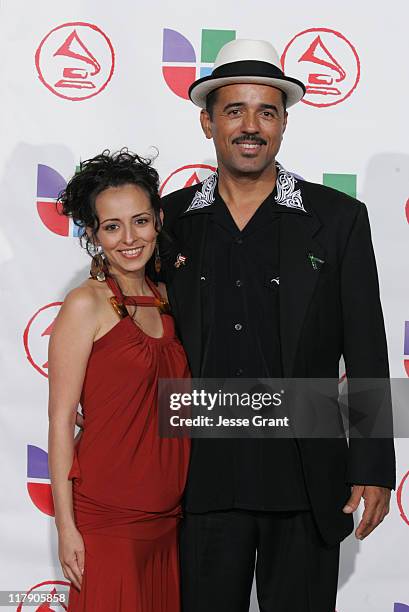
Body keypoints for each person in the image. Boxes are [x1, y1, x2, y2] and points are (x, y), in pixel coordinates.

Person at [160, 39, 396, 612]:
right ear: (207, 122)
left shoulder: (337, 220)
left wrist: (373, 464)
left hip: (305, 479)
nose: (250, 126)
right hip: (200, 480)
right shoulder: (169, 224)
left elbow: (366, 346)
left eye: (267, 111)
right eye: (234, 110)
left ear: (284, 123)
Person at [48, 150, 190, 612]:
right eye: (112, 226)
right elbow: (60, 420)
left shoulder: (171, 299)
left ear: (158, 220)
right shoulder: (85, 304)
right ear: (93, 234)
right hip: (108, 519)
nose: (129, 239)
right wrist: (66, 527)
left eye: (140, 221)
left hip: (169, 519)